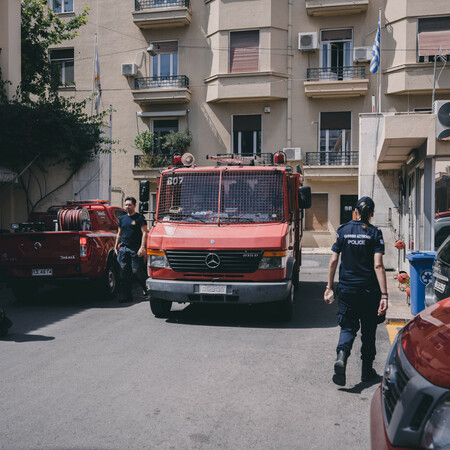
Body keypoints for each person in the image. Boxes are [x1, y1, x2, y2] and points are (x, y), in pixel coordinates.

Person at [324, 196, 388, 386]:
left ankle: (342, 356)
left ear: (355, 212)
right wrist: (384, 295)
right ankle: (366, 372)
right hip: (369, 291)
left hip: (347, 290)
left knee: (348, 327)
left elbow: (333, 260)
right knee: (369, 330)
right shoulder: (375, 233)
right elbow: (378, 266)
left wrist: (329, 287)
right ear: (371, 214)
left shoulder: (343, 230)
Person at [114, 196, 148, 303]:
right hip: (124, 248)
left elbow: (144, 233)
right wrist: (116, 246)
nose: (127, 207)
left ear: (134, 205)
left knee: (136, 271)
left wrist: (142, 247)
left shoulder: (140, 218)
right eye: (126, 205)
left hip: (135, 249)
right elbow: (119, 234)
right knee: (124, 272)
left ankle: (145, 287)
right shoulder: (122, 219)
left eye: (129, 205)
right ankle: (127, 296)